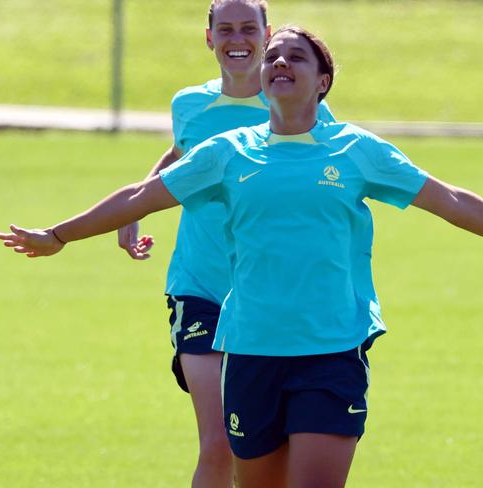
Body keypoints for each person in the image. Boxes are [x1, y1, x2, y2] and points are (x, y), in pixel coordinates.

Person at [0, 25, 483, 488]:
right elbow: (140, 196)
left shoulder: (357, 150)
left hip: (331, 348)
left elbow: (449, 199)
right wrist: (60, 234)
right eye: (272, 57)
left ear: (323, 81)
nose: (279, 63)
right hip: (249, 350)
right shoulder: (227, 152)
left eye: (296, 57)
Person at [119, 2, 335, 487]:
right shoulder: (189, 104)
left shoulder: (296, 101)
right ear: (209, 37)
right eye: (225, 29)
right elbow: (183, 154)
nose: (237, 39)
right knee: (218, 444)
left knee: (260, 450)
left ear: (267, 34)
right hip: (200, 287)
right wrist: (137, 202)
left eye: (248, 28)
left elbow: (330, 171)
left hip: (269, 300)